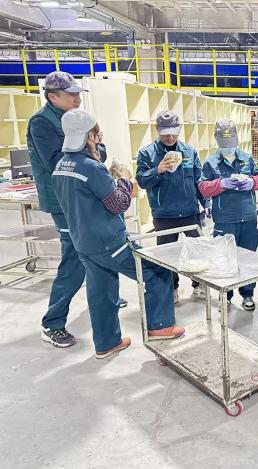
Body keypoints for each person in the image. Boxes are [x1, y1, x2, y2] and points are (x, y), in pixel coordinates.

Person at [52, 109, 184, 358]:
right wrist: (123, 180)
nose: (100, 136)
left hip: (83, 242)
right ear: (89, 136)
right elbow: (117, 204)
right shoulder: (92, 168)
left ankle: (107, 342)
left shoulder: (61, 165)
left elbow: (84, 199)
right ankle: (160, 326)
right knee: (158, 272)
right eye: (97, 132)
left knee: (101, 291)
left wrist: (108, 181)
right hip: (108, 242)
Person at [27, 71, 126, 349]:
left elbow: (94, 153)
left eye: (77, 94)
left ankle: (106, 300)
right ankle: (52, 322)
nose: (77, 99)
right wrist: (94, 149)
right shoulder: (42, 122)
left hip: (84, 198)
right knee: (75, 259)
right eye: (70, 95)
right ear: (52, 96)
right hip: (65, 202)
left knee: (98, 252)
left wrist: (95, 149)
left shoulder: (74, 119)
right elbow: (60, 162)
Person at [135, 110, 205, 303]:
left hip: (190, 212)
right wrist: (157, 170)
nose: (170, 138)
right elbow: (141, 181)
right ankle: (171, 288)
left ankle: (199, 285)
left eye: (174, 133)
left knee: (197, 251)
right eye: (166, 134)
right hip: (164, 214)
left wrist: (206, 205)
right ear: (157, 129)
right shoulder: (147, 153)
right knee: (167, 255)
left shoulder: (189, 151)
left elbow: (198, 181)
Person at [198, 119, 258, 311]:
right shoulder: (211, 162)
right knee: (224, 259)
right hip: (224, 220)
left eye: (231, 143)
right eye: (224, 143)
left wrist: (252, 182)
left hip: (248, 218)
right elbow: (203, 187)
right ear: (217, 141)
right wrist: (220, 184)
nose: (228, 147)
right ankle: (225, 296)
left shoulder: (246, 158)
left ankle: (247, 294)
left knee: (248, 259)